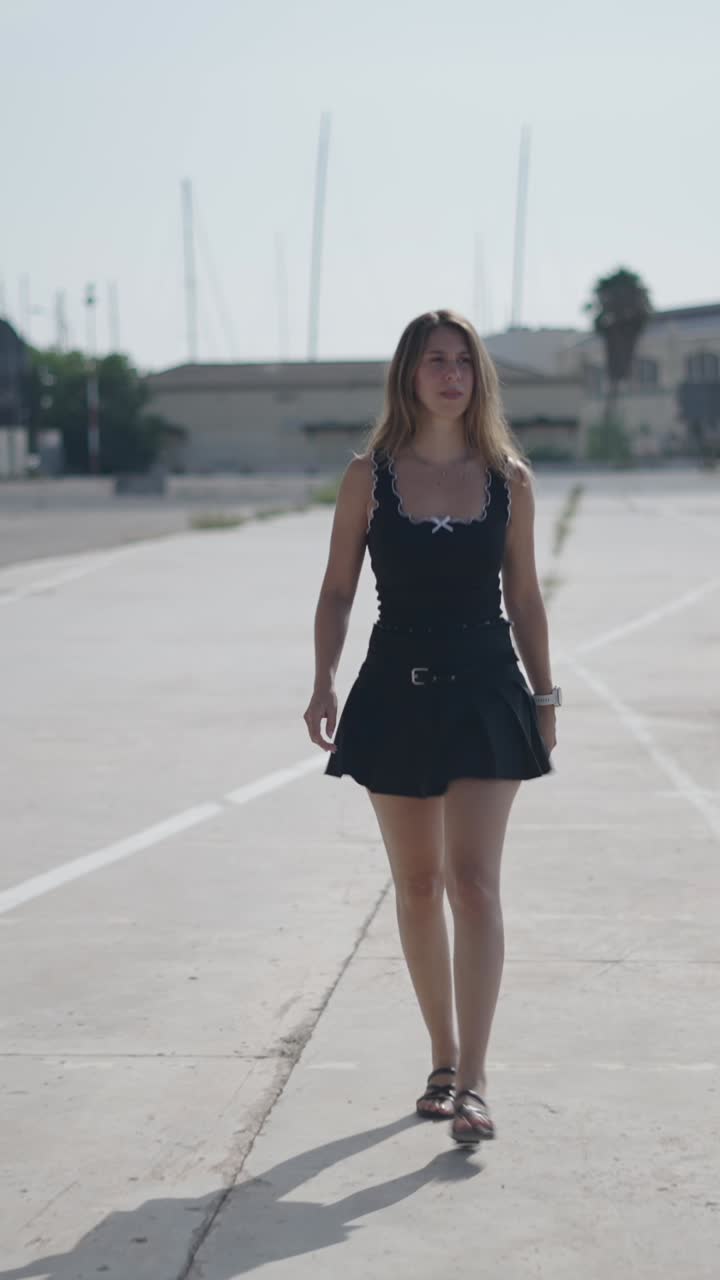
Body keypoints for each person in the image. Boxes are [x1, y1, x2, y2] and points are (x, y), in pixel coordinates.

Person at [303, 309, 559, 1145]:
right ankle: (443, 1061)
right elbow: (339, 588)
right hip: (395, 691)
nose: (450, 374)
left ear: (477, 377)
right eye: (433, 361)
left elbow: (523, 595)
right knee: (416, 885)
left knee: (473, 882)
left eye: (463, 362)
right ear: (408, 376)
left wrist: (546, 696)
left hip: (487, 688)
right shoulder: (366, 476)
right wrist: (322, 679)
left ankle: (477, 1080)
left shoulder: (510, 478)